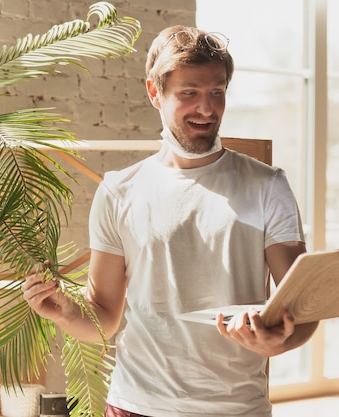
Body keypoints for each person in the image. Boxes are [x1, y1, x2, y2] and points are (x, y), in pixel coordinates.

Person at [22, 25, 319, 417]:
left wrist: (281, 342)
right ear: (154, 92)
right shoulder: (118, 192)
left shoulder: (267, 185)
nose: (207, 109)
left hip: (236, 409)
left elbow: (307, 305)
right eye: (189, 93)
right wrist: (65, 312)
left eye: (217, 92)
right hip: (136, 406)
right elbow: (103, 319)